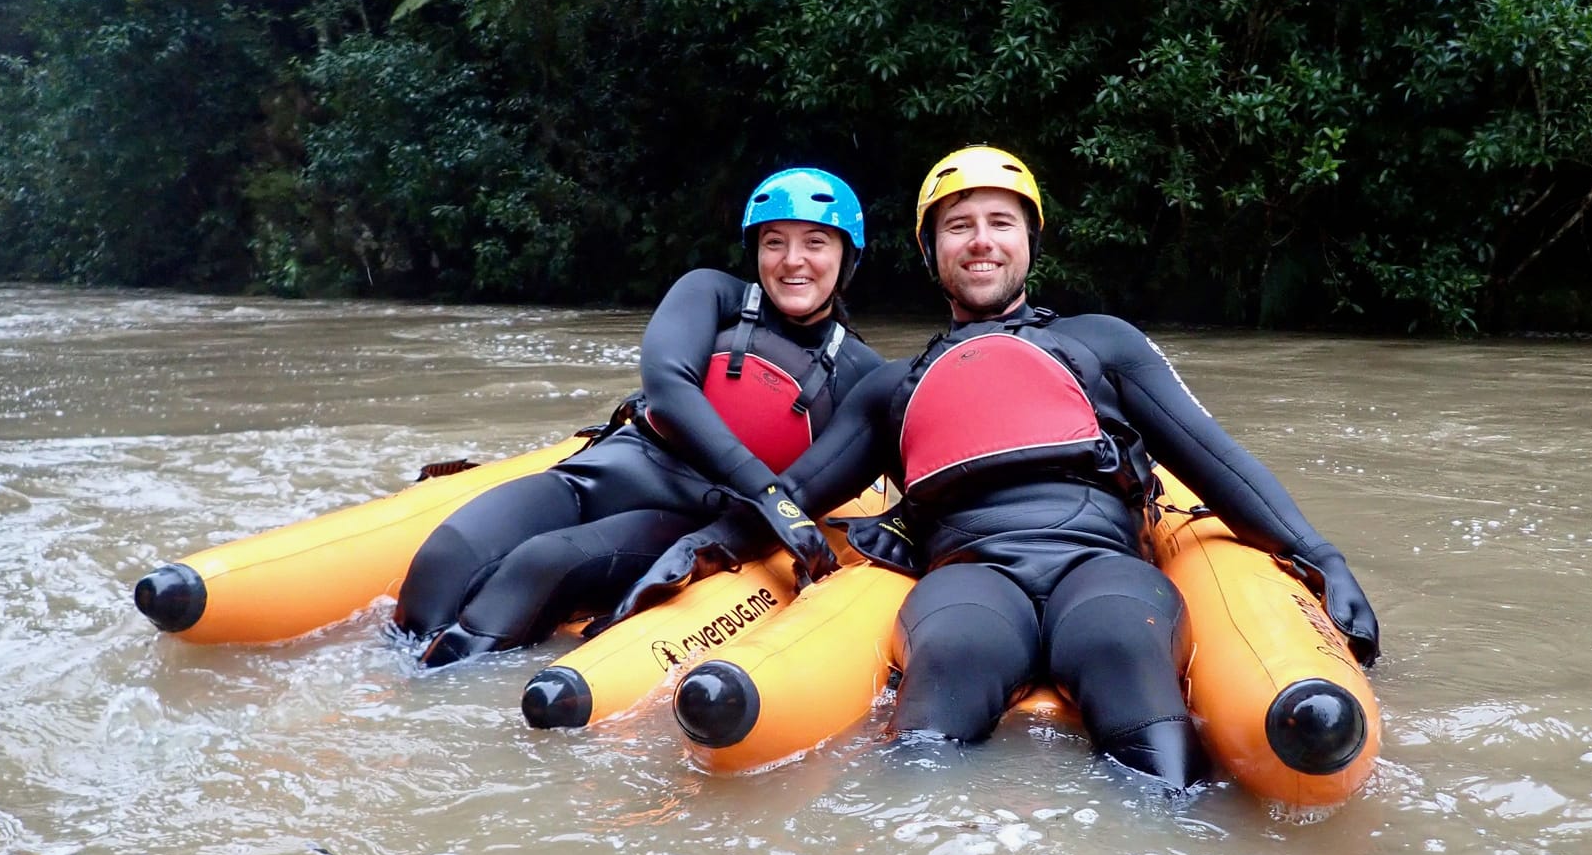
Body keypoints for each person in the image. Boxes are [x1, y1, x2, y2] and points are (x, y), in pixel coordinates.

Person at [609, 146, 1380, 788]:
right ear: (931, 252)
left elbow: (1215, 461)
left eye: (999, 223)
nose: (980, 241)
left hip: (1101, 564)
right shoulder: (890, 388)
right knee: (952, 655)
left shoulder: (1103, 344)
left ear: (1029, 243)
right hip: (971, 574)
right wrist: (700, 547)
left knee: (1119, 642)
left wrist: (1321, 558)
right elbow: (795, 496)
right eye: (958, 227)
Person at [395, 168, 884, 666]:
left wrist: (724, 538)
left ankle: (436, 681)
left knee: (539, 563)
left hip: (689, 514)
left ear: (847, 255)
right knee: (446, 556)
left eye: (815, 242)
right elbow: (668, 390)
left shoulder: (862, 375)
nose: (792, 259)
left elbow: (848, 476)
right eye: (774, 242)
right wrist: (769, 494)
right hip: (615, 467)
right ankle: (398, 675)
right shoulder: (710, 293)